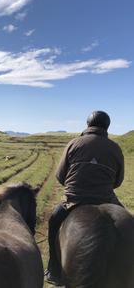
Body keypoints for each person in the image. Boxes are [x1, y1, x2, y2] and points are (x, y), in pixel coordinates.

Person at [45, 110, 124, 286]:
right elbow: (118, 181)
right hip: (107, 198)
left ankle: (54, 270)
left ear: (88, 124)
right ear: (107, 126)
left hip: (73, 199)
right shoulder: (116, 148)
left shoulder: (74, 143)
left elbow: (60, 175)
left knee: (53, 222)